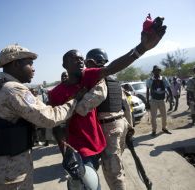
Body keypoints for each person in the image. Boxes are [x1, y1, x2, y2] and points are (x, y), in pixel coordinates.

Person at [49, 16, 166, 189]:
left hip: (100, 143)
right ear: (64, 65)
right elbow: (57, 126)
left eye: (81, 58)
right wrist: (65, 152)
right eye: (75, 59)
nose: (80, 61)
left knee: (113, 174)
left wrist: (141, 49)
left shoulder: (89, 77)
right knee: (88, 184)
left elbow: (112, 68)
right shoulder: (55, 93)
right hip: (79, 148)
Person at [0, 44, 86, 190]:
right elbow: (48, 118)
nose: (34, 68)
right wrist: (74, 101)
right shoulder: (14, 90)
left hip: (2, 167)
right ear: (16, 64)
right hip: (9, 172)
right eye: (30, 63)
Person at [77, 48, 134, 190]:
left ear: (91, 62)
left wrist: (75, 107)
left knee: (113, 173)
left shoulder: (99, 79)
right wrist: (130, 126)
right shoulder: (114, 79)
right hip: (121, 124)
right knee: (118, 166)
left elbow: (92, 101)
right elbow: (126, 105)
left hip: (109, 129)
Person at [146, 65, 172, 137]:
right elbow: (147, 91)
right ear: (153, 72)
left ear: (160, 71)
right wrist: (147, 102)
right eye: (155, 71)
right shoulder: (150, 80)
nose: (156, 72)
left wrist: (171, 96)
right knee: (153, 117)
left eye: (158, 70)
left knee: (164, 115)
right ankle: (154, 130)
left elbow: (168, 88)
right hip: (153, 100)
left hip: (162, 100)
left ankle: (164, 128)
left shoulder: (164, 79)